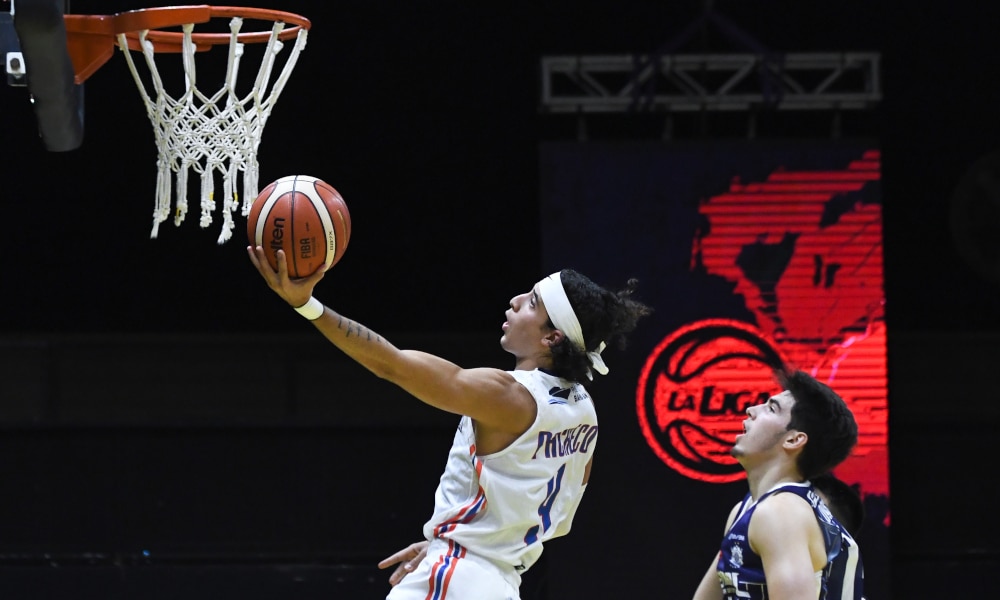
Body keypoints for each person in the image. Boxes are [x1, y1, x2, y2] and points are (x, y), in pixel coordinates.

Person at [247, 246, 652, 600]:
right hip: (499, 585)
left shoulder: (508, 395)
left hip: (456, 579)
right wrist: (459, 542)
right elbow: (557, 514)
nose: (513, 301)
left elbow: (392, 365)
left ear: (553, 339)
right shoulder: (584, 412)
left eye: (531, 303)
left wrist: (306, 304)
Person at [692, 368, 864, 600]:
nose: (751, 410)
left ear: (794, 439)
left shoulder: (780, 513)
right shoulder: (747, 509)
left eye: (771, 408)